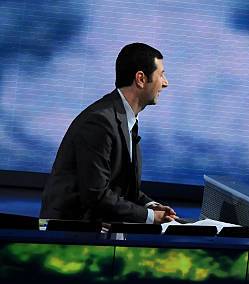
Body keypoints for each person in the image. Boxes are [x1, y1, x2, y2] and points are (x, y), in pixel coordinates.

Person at [40, 43, 176, 224]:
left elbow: (119, 187)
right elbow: (96, 195)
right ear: (141, 79)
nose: (165, 83)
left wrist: (150, 205)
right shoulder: (100, 122)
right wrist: (150, 217)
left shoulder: (122, 117)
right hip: (70, 236)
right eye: (161, 75)